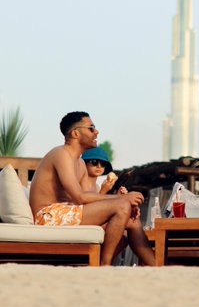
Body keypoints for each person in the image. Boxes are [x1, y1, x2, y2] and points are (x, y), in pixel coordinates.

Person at [29, 111, 155, 266]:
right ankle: (104, 265)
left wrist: (124, 202)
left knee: (132, 221)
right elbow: (80, 197)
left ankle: (157, 267)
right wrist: (122, 200)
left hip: (68, 213)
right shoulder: (61, 154)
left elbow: (88, 200)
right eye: (91, 128)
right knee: (122, 205)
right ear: (76, 133)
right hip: (48, 216)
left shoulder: (80, 163)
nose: (96, 132)